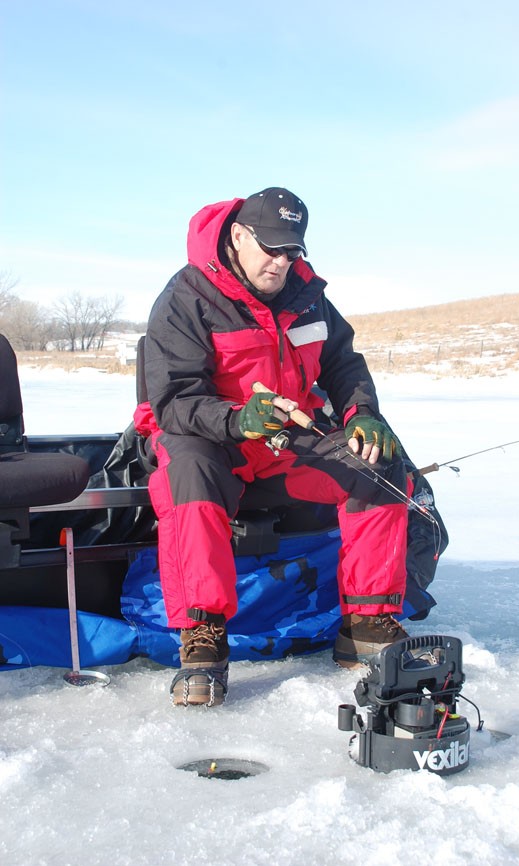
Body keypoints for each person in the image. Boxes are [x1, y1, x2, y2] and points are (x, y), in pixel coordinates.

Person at [137, 187, 413, 708]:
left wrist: (362, 413)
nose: (281, 261)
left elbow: (343, 364)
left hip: (285, 434)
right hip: (208, 435)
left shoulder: (307, 295)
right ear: (239, 236)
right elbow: (174, 401)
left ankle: (367, 624)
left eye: (291, 250)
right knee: (187, 478)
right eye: (271, 248)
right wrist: (238, 418)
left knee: (376, 469)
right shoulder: (186, 296)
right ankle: (203, 634)